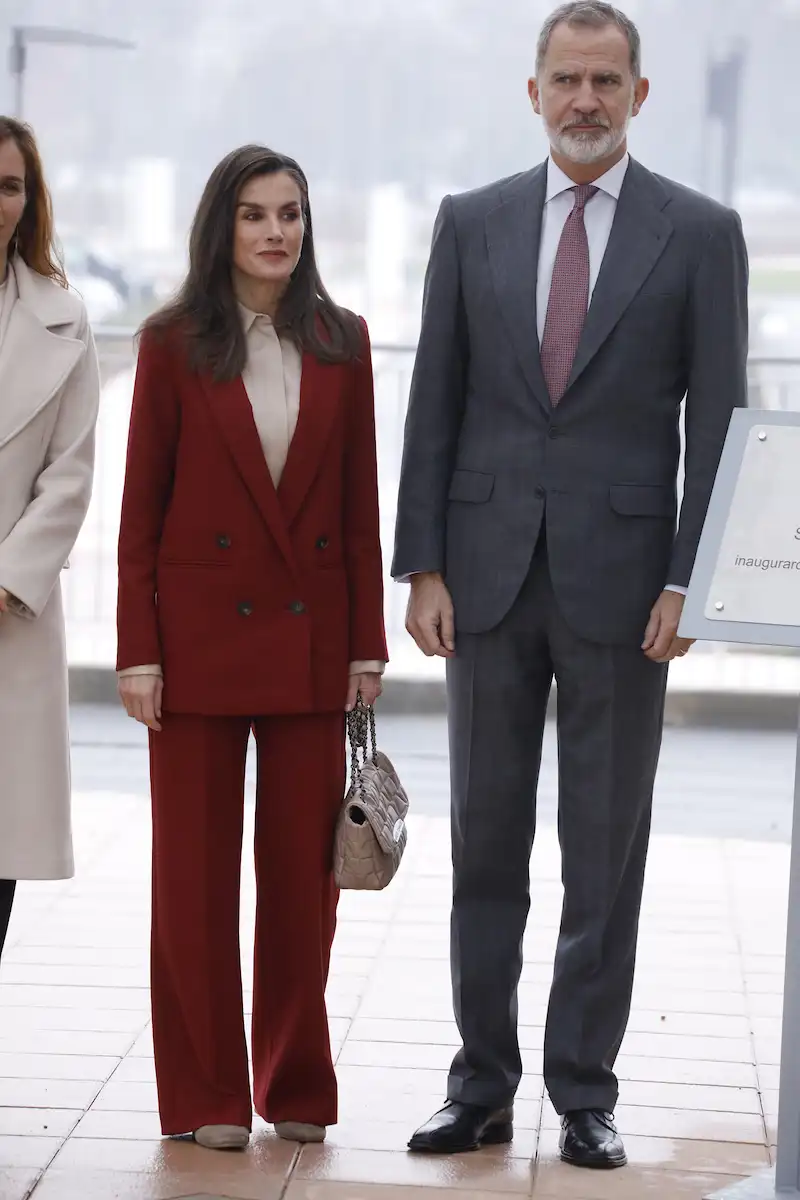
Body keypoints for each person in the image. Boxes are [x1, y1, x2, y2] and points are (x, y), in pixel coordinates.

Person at [393, 0, 748, 1169]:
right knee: (483, 848)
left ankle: (584, 1089)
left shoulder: (697, 234)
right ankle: (479, 1084)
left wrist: (688, 582)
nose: (585, 99)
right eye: (565, 79)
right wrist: (424, 564)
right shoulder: (471, 222)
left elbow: (720, 418)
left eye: (606, 80)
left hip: (624, 591)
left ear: (637, 95)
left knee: (603, 855)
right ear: (532, 91)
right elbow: (432, 398)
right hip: (484, 582)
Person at [116, 145, 387, 1150]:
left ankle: (294, 1075)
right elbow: (138, 516)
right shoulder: (171, 342)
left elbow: (359, 509)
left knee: (301, 883)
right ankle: (204, 1095)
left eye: (291, 214)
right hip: (190, 648)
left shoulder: (343, 340)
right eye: (255, 215)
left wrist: (366, 647)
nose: (276, 232)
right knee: (189, 881)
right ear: (219, 228)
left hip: (313, 642)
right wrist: (137, 653)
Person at [0, 117, 99, 958]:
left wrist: (8, 581)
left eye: (9, 186)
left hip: (8, 621)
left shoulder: (65, 320)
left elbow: (70, 475)